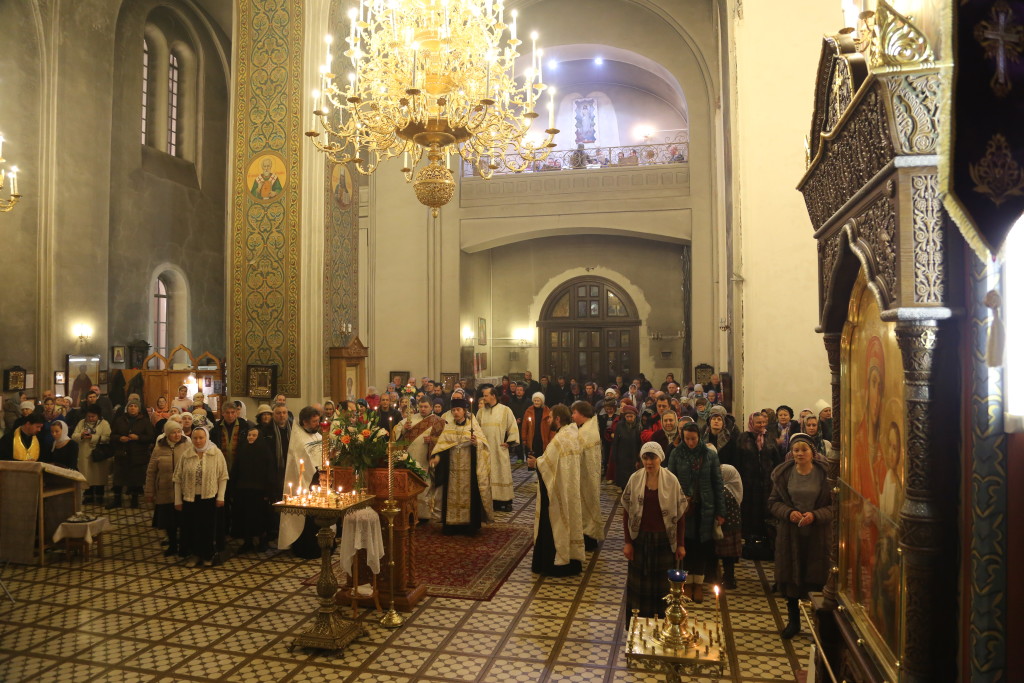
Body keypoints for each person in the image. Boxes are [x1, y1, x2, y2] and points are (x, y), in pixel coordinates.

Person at [769, 433, 833, 638]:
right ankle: (793, 622)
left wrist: (815, 515)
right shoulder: (783, 474)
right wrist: (789, 513)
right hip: (791, 534)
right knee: (792, 580)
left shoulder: (825, 475)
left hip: (818, 535)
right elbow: (773, 502)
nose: (799, 454)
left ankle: (818, 625)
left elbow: (835, 506)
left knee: (816, 579)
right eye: (796, 450)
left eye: (804, 450)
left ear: (812, 452)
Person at [621, 441, 688, 617]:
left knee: (662, 588)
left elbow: (680, 514)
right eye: (645, 458)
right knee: (639, 588)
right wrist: (628, 542)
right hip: (640, 540)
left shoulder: (671, 480)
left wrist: (680, 544)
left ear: (660, 458)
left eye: (653, 458)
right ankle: (638, 628)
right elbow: (627, 511)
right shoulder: (635, 479)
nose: (649, 462)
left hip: (664, 541)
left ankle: (662, 627)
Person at [666, 422, 725, 602]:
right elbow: (671, 482)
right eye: (687, 439)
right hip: (684, 507)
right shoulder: (676, 454)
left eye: (693, 439)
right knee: (686, 544)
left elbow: (717, 482)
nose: (690, 442)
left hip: (705, 506)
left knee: (702, 546)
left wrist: (720, 511)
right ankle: (685, 582)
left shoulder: (709, 455)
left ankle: (698, 583)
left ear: (699, 437)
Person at [528, 404, 584, 577]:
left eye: (551, 417)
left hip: (558, 490)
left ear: (558, 419)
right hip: (570, 487)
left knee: (553, 522)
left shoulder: (560, 439)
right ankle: (572, 562)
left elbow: (547, 464)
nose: (549, 420)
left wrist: (535, 463)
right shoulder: (574, 434)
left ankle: (553, 564)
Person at [429, 398, 492, 535]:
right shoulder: (449, 428)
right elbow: (443, 448)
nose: (455, 413)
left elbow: (484, 445)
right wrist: (437, 458)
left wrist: (476, 444)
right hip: (451, 471)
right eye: (453, 410)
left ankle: (469, 526)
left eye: (458, 410)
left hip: (468, 471)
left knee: (469, 496)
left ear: (464, 411)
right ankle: (451, 526)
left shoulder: (473, 427)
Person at [173, 426, 229, 568]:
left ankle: (207, 555)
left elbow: (223, 476)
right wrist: (178, 500)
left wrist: (220, 497)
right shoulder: (186, 455)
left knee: (207, 528)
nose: (198, 441)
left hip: (209, 498)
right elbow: (177, 479)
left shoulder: (216, 453)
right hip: (190, 498)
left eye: (201, 438)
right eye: (195, 438)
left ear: (207, 438)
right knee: (191, 528)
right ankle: (194, 555)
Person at [278, 406, 323, 552]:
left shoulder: (317, 436)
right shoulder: (299, 440)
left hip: (318, 480)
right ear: (305, 422)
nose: (318, 424)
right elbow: (303, 463)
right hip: (305, 482)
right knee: (307, 517)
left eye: (318, 420)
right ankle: (306, 547)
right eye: (314, 421)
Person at [394, 397, 445, 522]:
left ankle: (423, 515)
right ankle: (409, 514)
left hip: (425, 460)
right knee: (410, 487)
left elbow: (445, 441)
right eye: (421, 406)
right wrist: (404, 428)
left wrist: (432, 440)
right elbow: (397, 432)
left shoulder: (438, 422)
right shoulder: (411, 419)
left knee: (425, 487)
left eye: (425, 406)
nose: (423, 409)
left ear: (431, 407)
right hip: (410, 459)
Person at [735, 412, 783, 545]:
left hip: (767, 482)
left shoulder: (769, 437)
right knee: (750, 509)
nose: (762, 425)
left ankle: (765, 538)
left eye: (763, 422)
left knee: (765, 509)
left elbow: (776, 458)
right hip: (749, 481)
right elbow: (738, 460)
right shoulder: (743, 438)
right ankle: (749, 537)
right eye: (758, 423)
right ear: (752, 423)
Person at [146, 419, 191, 558]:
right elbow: (151, 471)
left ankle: (185, 546)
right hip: (164, 489)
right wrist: (149, 491)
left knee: (184, 520)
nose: (177, 435)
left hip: (183, 490)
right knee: (169, 520)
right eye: (173, 432)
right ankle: (172, 544)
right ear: (167, 434)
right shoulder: (159, 447)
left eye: (179, 431)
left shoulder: (187, 445)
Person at [231, 425, 277, 553]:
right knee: (245, 517)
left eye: (254, 435)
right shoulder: (243, 449)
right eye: (249, 435)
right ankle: (248, 541)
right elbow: (236, 469)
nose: (250, 437)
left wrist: (268, 491)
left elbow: (269, 472)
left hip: (260, 492)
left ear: (259, 437)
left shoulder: (265, 451)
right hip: (243, 490)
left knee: (260, 518)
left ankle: (262, 541)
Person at [477, 385, 520, 511]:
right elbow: (476, 428)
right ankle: (492, 501)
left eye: (485, 395)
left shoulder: (505, 410)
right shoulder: (481, 412)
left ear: (493, 396)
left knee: (502, 473)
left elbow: (512, 427)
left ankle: (506, 501)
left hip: (499, 448)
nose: (484, 398)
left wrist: (509, 442)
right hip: (485, 449)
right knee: (488, 475)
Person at [109, 399, 156, 509]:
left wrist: (138, 437)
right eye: (130, 406)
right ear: (127, 408)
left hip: (138, 455)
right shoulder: (120, 420)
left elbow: (150, 437)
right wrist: (119, 438)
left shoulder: (145, 421)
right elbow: (112, 435)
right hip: (122, 453)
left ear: (139, 409)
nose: (133, 408)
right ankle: (117, 500)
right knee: (118, 479)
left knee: (136, 479)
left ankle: (134, 501)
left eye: (135, 406)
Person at [573, 401, 604, 551]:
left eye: (574, 413)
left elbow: (574, 452)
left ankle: (589, 538)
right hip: (589, 474)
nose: (573, 416)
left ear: (583, 414)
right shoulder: (589, 427)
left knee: (586, 505)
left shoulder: (585, 432)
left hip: (586, 476)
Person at [73, 404, 112, 504]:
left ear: (98, 415)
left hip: (99, 454)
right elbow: (74, 436)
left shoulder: (104, 423)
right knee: (86, 476)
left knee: (99, 476)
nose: (90, 418)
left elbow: (107, 438)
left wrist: (93, 437)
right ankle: (88, 496)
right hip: (84, 453)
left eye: (93, 416)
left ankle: (99, 496)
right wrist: (81, 435)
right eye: (89, 416)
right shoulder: (81, 422)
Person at [716, 464, 744, 589]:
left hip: (728, 526)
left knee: (727, 556)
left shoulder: (728, 490)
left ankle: (728, 579)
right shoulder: (730, 487)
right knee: (725, 555)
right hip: (729, 526)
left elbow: (721, 498)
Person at [609, 404, 642, 489]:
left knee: (633, 475)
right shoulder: (620, 425)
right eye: (627, 416)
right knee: (622, 475)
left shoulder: (639, 426)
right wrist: (614, 455)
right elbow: (616, 441)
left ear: (635, 416)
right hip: (622, 454)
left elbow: (639, 442)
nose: (629, 419)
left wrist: (639, 456)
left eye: (631, 416)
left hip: (633, 453)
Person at [521, 392, 552, 459]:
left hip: (543, 437)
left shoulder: (547, 411)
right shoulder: (529, 411)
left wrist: (551, 439)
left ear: (542, 401)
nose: (536, 402)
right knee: (532, 456)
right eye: (535, 400)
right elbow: (524, 426)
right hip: (532, 437)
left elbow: (551, 427)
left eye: (538, 401)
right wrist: (524, 438)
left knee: (542, 457)